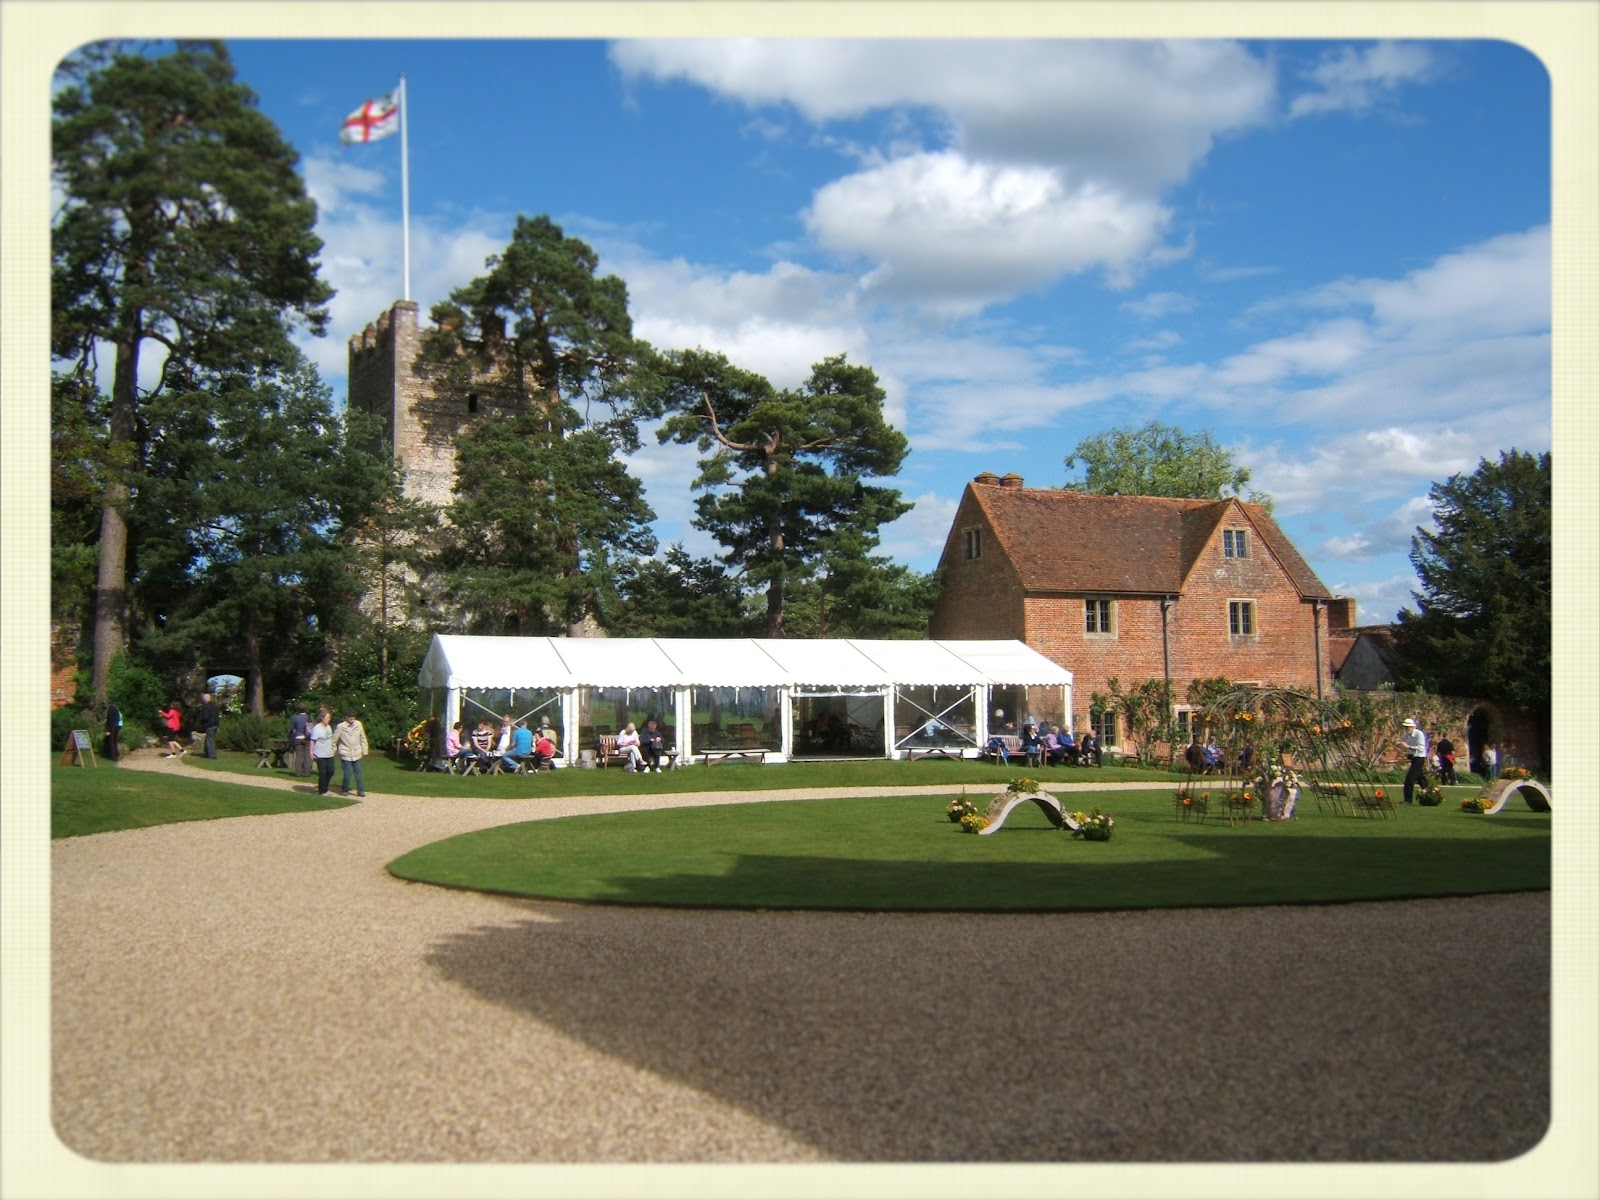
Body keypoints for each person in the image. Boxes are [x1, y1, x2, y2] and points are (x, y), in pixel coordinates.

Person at [335, 710, 369, 797]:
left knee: (358, 772)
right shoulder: (340, 726)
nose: (351, 718)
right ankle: (345, 790)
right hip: (345, 752)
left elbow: (363, 737)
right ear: (345, 717)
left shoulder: (358, 724)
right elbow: (334, 740)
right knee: (347, 772)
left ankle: (360, 790)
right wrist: (333, 751)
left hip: (356, 752)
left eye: (353, 716)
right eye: (350, 716)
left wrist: (364, 750)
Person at [1398, 717, 1428, 804]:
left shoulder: (1419, 734)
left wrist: (1408, 747)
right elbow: (1403, 742)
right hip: (1413, 758)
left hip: (1419, 758)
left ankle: (1408, 800)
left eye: (1408, 727)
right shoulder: (1407, 735)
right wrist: (1400, 744)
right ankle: (1429, 790)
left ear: (1412, 727)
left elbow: (1421, 748)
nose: (1406, 728)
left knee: (1409, 779)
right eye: (1405, 727)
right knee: (1420, 778)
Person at [310, 707, 336, 795]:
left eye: (329, 718)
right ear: (322, 718)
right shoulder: (317, 728)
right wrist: (311, 752)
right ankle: (322, 790)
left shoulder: (328, 727)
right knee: (323, 772)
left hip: (329, 753)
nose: (329, 720)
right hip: (320, 754)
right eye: (327, 718)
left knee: (331, 771)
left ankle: (325, 787)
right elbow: (312, 741)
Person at [287, 702, 312, 777]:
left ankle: (298, 773)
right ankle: (307, 773)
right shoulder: (309, 717)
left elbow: (292, 729)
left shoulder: (295, 717)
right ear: (306, 709)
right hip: (306, 738)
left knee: (298, 756)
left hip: (297, 737)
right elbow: (311, 729)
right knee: (307, 756)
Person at [197, 691, 220, 759]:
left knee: (209, 739)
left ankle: (211, 755)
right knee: (209, 739)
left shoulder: (206, 706)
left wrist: (201, 722)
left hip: (209, 724)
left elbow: (205, 717)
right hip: (215, 724)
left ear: (205, 699)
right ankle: (207, 753)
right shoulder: (214, 706)